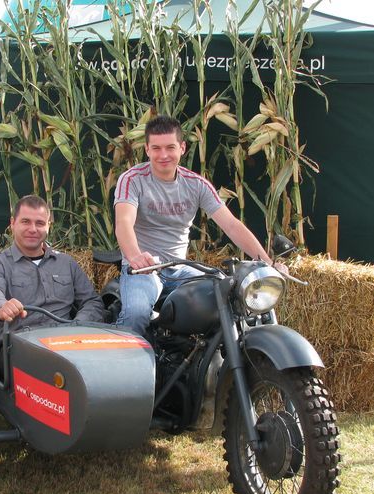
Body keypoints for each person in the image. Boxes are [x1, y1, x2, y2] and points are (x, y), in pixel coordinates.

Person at [114, 114, 287, 335]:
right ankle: (129, 366)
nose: (163, 155)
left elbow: (232, 226)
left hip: (180, 269)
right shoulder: (132, 179)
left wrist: (266, 262)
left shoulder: (197, 185)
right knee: (136, 314)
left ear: (182, 148)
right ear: (147, 149)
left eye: (170, 147)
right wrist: (136, 257)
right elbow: (124, 222)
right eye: (156, 148)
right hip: (144, 270)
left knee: (229, 294)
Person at [0, 194, 105, 343]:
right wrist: (1, 306)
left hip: (66, 343)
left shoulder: (66, 263)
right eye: (25, 222)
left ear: (48, 226)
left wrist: (77, 327)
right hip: (18, 345)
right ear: (12, 224)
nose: (33, 229)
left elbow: (92, 302)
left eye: (39, 223)